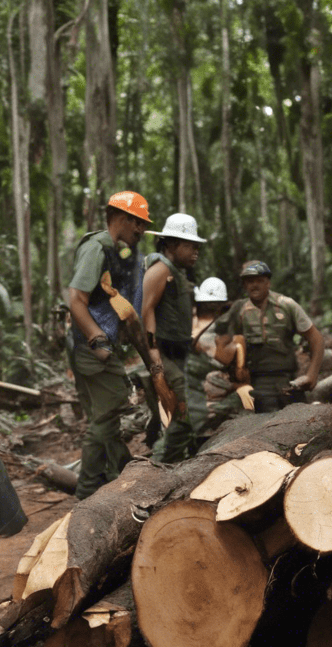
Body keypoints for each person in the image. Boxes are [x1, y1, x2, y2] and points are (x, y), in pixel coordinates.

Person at [67, 191, 176, 500]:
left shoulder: (119, 255)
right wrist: (94, 337)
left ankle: (117, 474)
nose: (142, 231)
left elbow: (127, 315)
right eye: (139, 223)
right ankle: (86, 490)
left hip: (98, 345)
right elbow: (75, 298)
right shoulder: (97, 248)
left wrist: (152, 364)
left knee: (105, 414)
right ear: (123, 219)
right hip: (91, 347)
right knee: (110, 407)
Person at [218, 260, 324, 413]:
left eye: (259, 280)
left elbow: (317, 339)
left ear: (268, 282)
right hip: (258, 382)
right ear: (245, 285)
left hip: (288, 379)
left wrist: (311, 375)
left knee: (299, 422)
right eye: (250, 281)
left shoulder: (287, 305)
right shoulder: (239, 310)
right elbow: (221, 343)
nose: (255, 285)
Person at [138, 213, 203, 462]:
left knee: (187, 415)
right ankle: (159, 468)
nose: (195, 251)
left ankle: (175, 464)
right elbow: (145, 311)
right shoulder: (160, 269)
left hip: (179, 354)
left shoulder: (178, 273)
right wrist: (155, 359)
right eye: (190, 246)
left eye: (197, 246)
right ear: (171, 244)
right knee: (183, 415)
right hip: (163, 353)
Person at [186, 277, 252, 444]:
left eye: (215, 305)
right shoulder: (190, 331)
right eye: (208, 306)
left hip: (220, 402)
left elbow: (242, 375)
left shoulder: (234, 335)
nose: (211, 309)